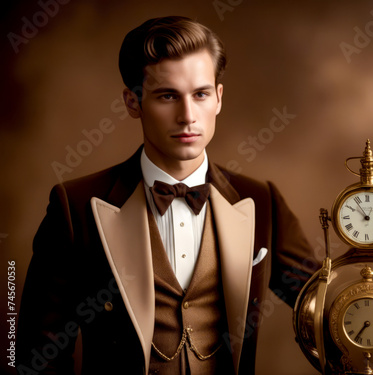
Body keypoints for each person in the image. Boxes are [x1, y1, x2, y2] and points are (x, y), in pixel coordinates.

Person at [17, 16, 319, 375]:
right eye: (167, 96)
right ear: (133, 102)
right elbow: (38, 352)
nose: (188, 116)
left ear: (219, 99)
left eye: (201, 94)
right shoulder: (75, 205)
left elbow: (326, 307)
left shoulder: (261, 199)